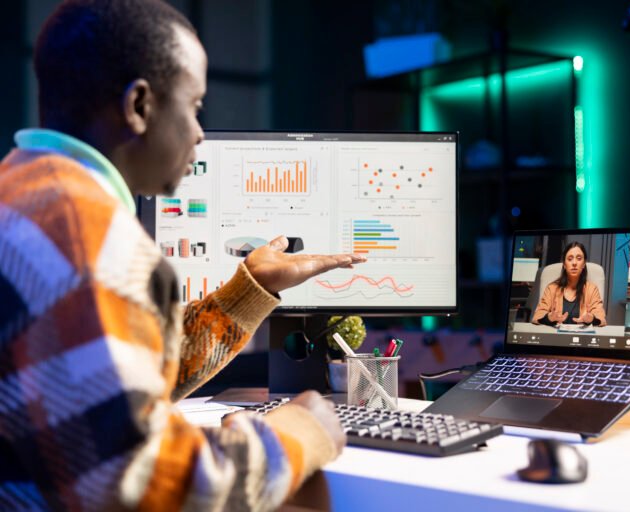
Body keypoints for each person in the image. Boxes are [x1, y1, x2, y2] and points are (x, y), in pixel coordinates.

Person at [0, 1, 366, 510]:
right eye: (194, 106)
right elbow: (139, 482)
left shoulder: (22, 193)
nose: (198, 131)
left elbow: (122, 382)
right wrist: (298, 434)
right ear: (139, 106)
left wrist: (251, 289)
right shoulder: (90, 238)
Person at [531, 242, 607, 327]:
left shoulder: (592, 289)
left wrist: (591, 318)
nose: (574, 263)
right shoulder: (551, 288)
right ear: (564, 264)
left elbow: (601, 318)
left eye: (579, 258)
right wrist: (549, 317)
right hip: (556, 337)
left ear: (584, 264)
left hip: (582, 338)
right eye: (570, 259)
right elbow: (537, 316)